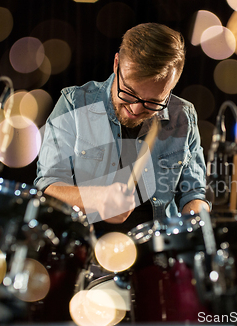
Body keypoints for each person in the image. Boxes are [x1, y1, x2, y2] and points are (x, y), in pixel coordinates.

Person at [34, 22, 210, 235]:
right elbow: (47, 185)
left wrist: (196, 219)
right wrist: (96, 199)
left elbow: (193, 192)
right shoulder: (74, 104)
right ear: (116, 64)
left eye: (154, 102)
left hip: (157, 252)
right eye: (128, 92)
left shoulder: (183, 116)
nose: (136, 109)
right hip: (85, 247)